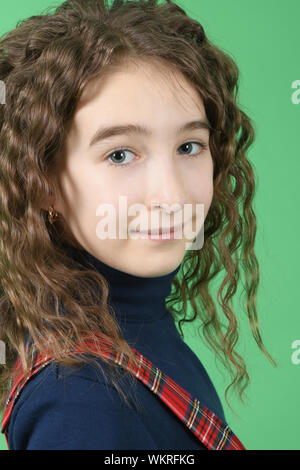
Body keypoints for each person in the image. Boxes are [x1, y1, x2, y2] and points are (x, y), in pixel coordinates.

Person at [0, 0, 276, 450]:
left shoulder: (141, 326)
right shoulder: (79, 405)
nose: (171, 195)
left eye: (189, 146)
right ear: (44, 183)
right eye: (120, 154)